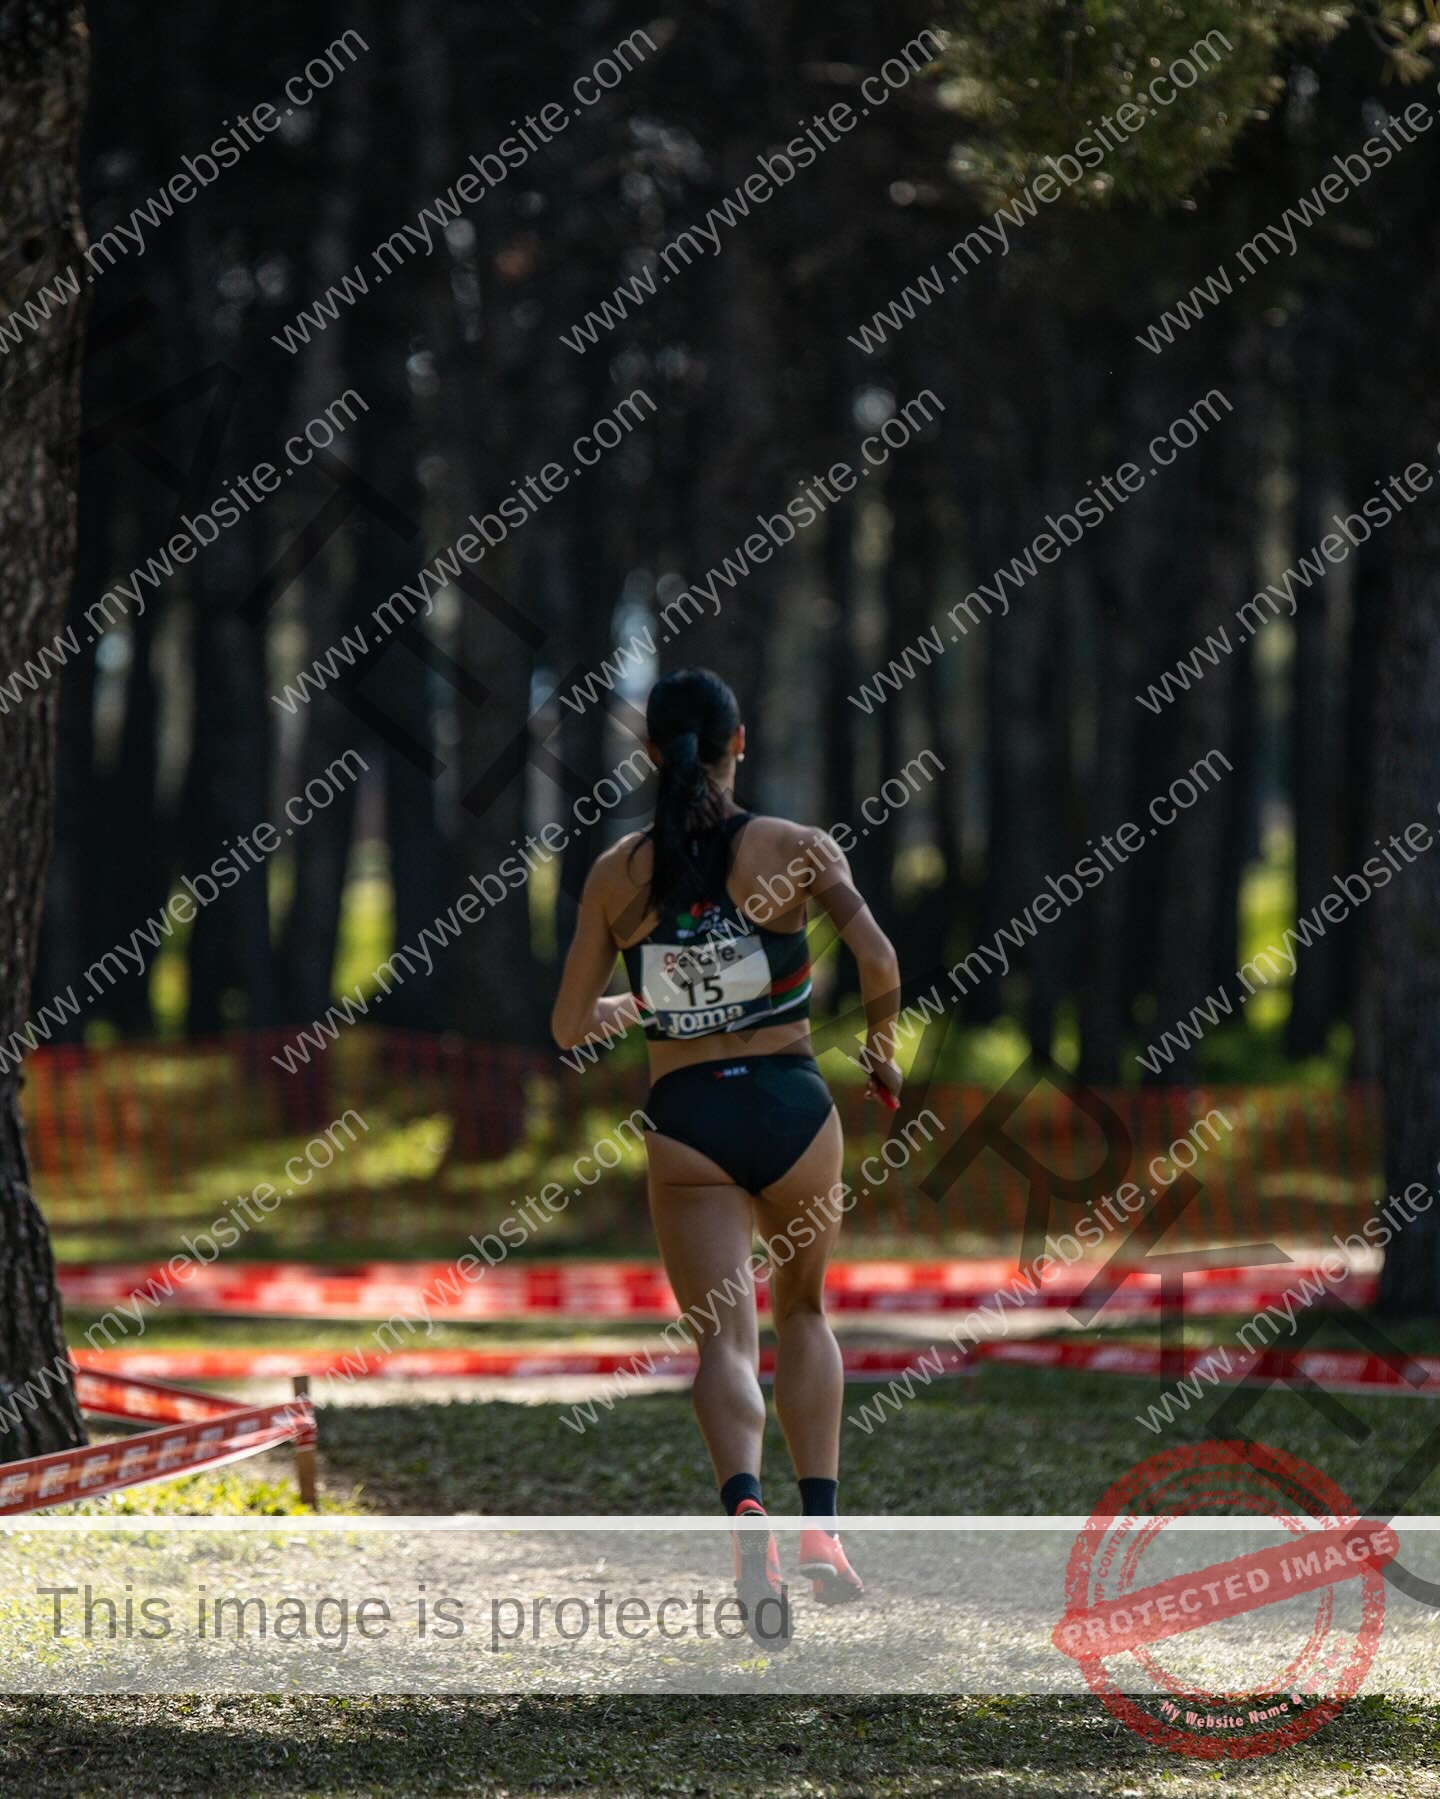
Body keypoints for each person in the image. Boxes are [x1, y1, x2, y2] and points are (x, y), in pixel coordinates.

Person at [551, 668, 903, 1636]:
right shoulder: (796, 846)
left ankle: (745, 1501)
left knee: (724, 1336)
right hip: (792, 1106)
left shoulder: (618, 872)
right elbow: (877, 957)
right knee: (804, 1310)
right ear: (738, 741)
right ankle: (822, 1529)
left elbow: (568, 1022)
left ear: (652, 752)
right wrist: (880, 1051)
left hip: (686, 1117)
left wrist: (627, 1006)